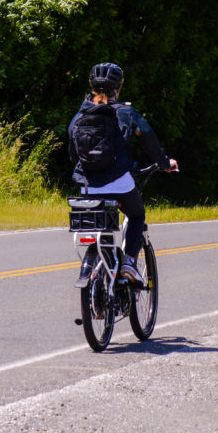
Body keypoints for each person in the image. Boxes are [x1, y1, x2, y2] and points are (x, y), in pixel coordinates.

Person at [68, 62, 177, 284]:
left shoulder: (80, 115)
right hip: (119, 183)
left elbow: (73, 152)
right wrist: (165, 163)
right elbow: (149, 142)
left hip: (88, 185)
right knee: (136, 215)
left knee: (99, 225)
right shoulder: (126, 112)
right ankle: (128, 262)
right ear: (117, 88)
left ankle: (94, 264)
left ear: (91, 86)